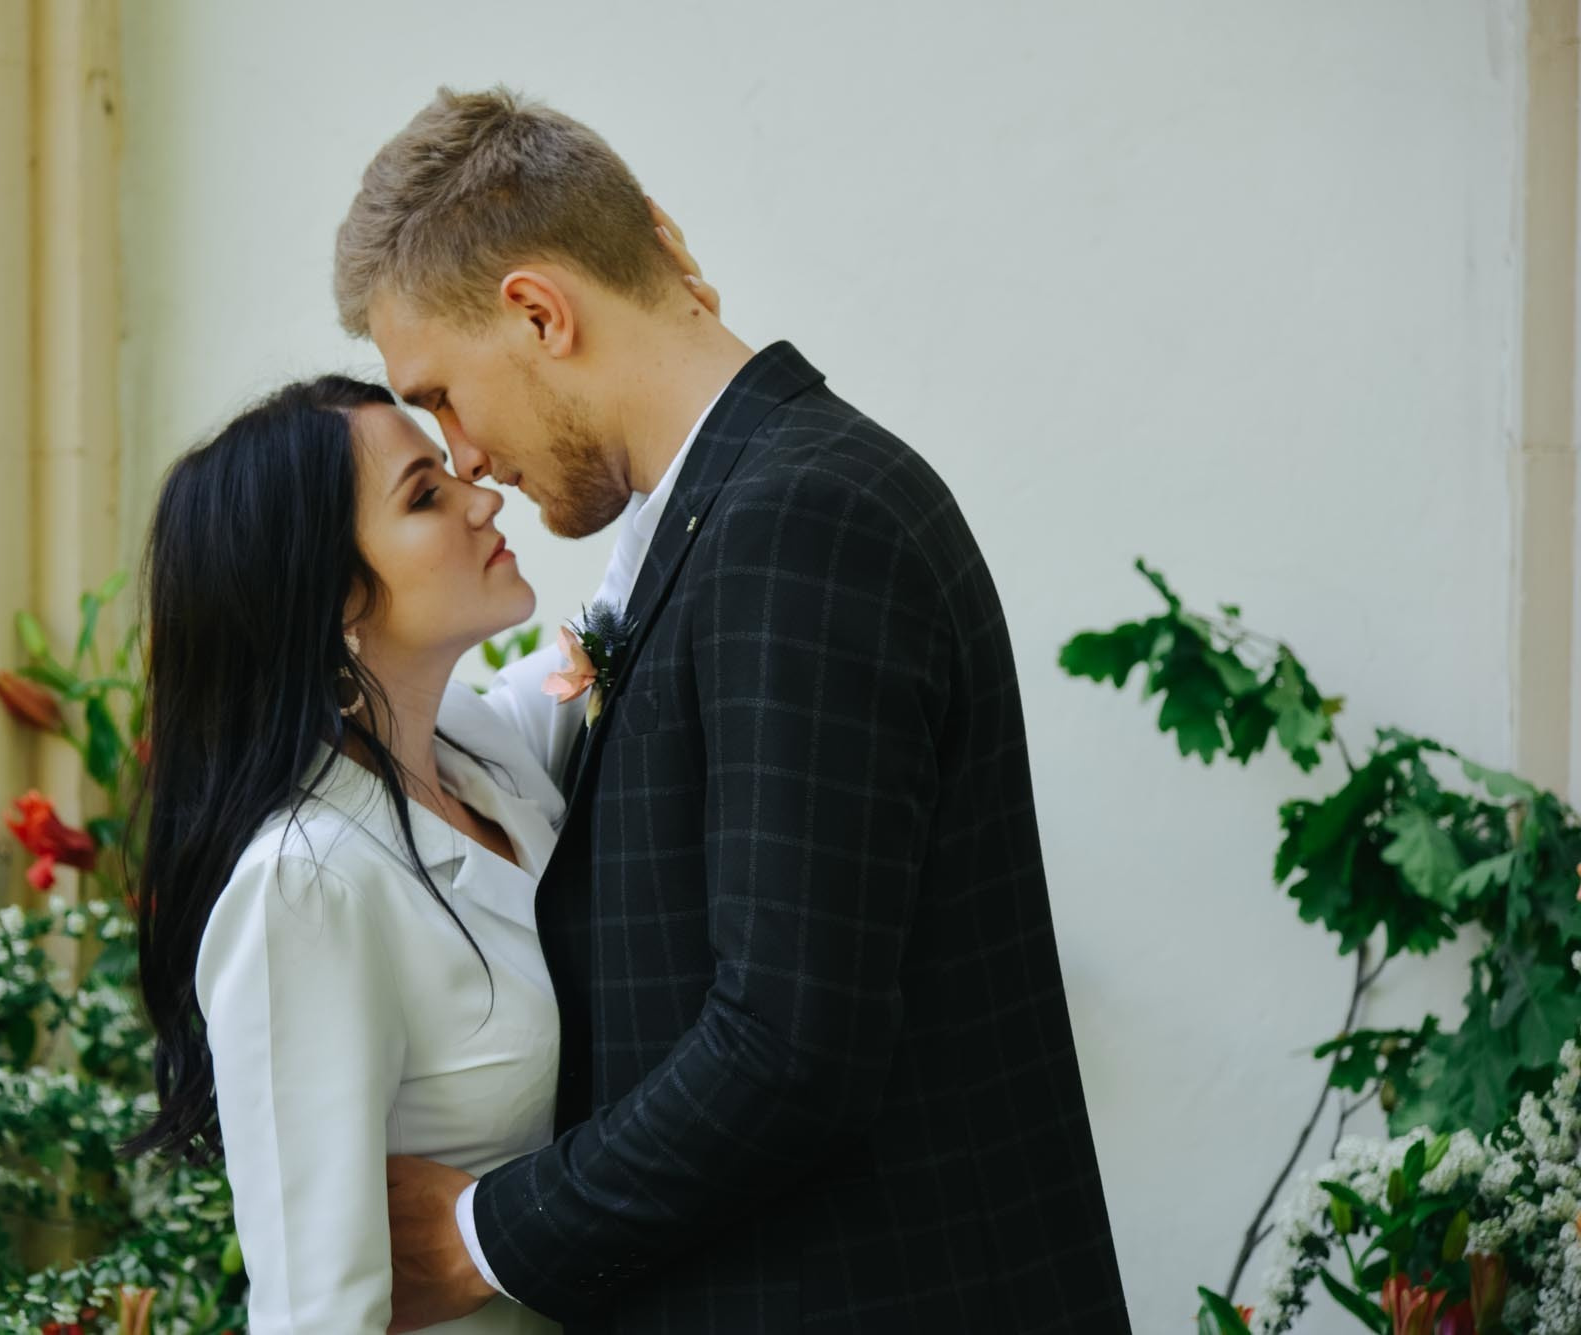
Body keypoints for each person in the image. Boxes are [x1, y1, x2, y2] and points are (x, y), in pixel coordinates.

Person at [335, 86, 1133, 1334]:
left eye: (440, 394)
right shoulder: (706, 523)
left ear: (537, 311)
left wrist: (482, 1235)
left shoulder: (800, 522)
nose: (463, 453)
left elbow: (786, 1050)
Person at [120, 247, 721, 1331]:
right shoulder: (304, 888)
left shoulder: (484, 755)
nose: (480, 494)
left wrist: (666, 323)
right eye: (424, 495)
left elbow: (619, 614)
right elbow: (317, 1308)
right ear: (336, 599)